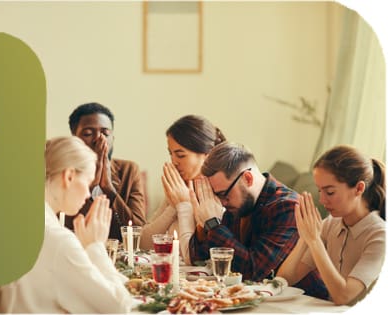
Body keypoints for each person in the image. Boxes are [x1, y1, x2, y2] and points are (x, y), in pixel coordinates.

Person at [0, 136, 133, 313]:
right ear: (69, 176)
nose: (87, 193)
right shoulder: (58, 241)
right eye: (88, 183)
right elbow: (119, 309)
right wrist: (95, 247)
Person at [277, 145, 385, 305]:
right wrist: (304, 239)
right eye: (320, 191)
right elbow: (285, 280)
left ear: (359, 188)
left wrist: (314, 241)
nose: (322, 200)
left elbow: (344, 297)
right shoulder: (331, 224)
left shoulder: (380, 236)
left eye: (330, 192)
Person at [188, 142, 302, 281]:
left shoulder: (288, 207)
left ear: (247, 178)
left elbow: (252, 271)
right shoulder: (235, 204)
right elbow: (198, 261)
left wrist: (213, 224)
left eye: (224, 194)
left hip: (307, 300)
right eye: (216, 196)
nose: (222, 203)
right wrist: (203, 224)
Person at [140, 115, 226, 264]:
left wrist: (184, 205)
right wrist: (174, 206)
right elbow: (143, 244)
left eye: (180, 155)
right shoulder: (179, 187)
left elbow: (192, 258)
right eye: (170, 153)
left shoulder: (220, 195)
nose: (174, 161)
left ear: (207, 154)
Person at [65, 102, 146, 241]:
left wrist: (109, 189)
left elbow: (138, 230)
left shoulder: (129, 170)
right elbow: (59, 226)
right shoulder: (63, 173)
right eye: (88, 133)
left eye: (105, 133)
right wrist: (89, 186)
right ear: (74, 139)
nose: (99, 139)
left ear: (112, 139)